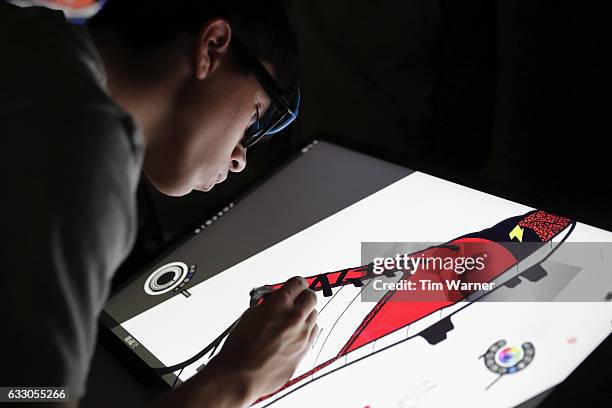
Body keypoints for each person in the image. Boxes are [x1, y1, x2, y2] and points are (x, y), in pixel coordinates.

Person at [0, 1, 317, 407]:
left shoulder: (31, 37)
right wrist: (236, 380)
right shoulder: (85, 148)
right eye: (256, 116)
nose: (239, 157)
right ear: (212, 47)